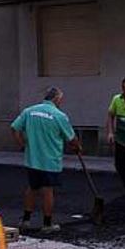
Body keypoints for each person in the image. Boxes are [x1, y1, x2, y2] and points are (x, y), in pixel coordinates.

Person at [11, 86, 79, 233]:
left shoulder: (29, 111)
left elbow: (14, 129)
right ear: (56, 99)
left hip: (32, 159)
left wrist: (22, 144)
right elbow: (71, 138)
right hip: (50, 160)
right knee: (48, 190)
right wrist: (77, 147)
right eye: (61, 99)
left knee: (32, 188)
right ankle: (47, 224)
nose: (61, 102)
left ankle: (26, 220)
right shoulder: (59, 115)